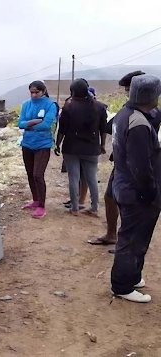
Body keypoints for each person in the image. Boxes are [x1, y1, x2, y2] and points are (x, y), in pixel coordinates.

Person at [110, 74, 161, 303]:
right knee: (131, 238)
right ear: (150, 96)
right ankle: (122, 285)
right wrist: (148, 192)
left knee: (137, 236)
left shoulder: (126, 114)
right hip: (135, 190)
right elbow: (140, 165)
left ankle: (133, 276)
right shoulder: (138, 124)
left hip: (123, 184)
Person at [88, 70, 150, 247]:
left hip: (135, 166)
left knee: (129, 203)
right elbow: (112, 127)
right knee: (110, 197)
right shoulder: (129, 109)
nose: (126, 92)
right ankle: (111, 235)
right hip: (121, 164)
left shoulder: (149, 112)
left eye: (129, 88)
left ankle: (127, 243)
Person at [55, 79, 107, 216]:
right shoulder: (100, 107)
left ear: (72, 92)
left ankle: (75, 208)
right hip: (91, 148)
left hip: (71, 147)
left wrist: (57, 145)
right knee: (92, 178)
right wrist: (102, 145)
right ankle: (95, 208)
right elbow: (103, 129)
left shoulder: (68, 107)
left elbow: (62, 129)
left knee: (74, 178)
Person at [18, 81, 59, 218]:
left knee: (37, 174)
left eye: (37, 92)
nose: (34, 95)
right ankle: (35, 200)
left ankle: (42, 205)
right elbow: (20, 123)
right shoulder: (26, 104)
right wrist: (35, 121)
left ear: (43, 91)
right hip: (27, 143)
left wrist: (28, 125)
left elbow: (46, 125)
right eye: (32, 92)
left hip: (43, 144)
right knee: (30, 173)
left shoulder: (50, 105)